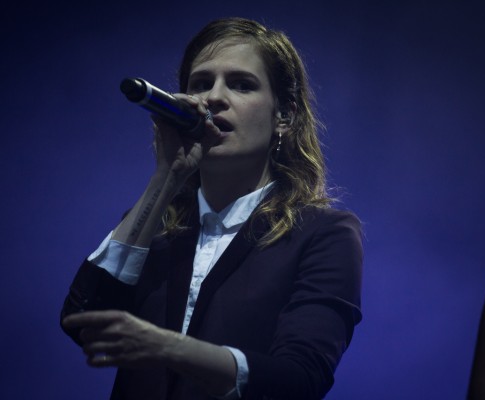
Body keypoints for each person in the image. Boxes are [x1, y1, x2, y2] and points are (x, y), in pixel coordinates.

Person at [61, 17, 363, 400]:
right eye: (201, 84)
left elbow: (300, 379)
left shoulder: (324, 233)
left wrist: (167, 346)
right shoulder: (155, 227)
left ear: (283, 117)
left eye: (241, 85)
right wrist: (166, 177)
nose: (214, 98)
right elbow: (80, 321)